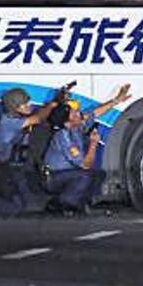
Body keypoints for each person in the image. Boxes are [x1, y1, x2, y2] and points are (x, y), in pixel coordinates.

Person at [43, 84, 132, 215]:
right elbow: (85, 165)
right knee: (85, 175)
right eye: (74, 114)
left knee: (99, 174)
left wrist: (117, 100)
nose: (78, 113)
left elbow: (95, 112)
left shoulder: (77, 125)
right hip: (54, 177)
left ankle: (83, 202)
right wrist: (93, 143)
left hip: (68, 172)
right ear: (67, 123)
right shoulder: (64, 136)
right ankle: (63, 203)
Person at [0, 87, 63, 214]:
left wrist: (56, 100)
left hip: (17, 168)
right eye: (25, 103)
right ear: (14, 107)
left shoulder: (17, 118)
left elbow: (40, 114)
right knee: (19, 207)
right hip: (4, 171)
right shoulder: (7, 122)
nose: (29, 105)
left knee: (34, 204)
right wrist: (52, 105)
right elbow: (38, 118)